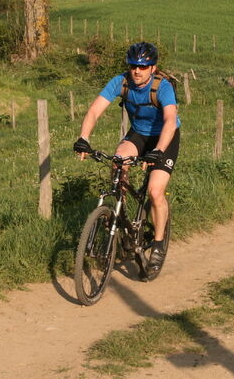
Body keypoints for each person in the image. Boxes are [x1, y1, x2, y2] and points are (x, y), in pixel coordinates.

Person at [73, 41, 180, 274]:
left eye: (143, 66)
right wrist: (84, 138)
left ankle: (159, 245)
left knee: (155, 191)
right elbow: (94, 111)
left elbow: (170, 120)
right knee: (119, 160)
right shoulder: (120, 82)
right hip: (139, 134)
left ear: (153, 67)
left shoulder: (162, 87)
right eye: (133, 66)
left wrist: (158, 151)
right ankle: (121, 215)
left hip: (164, 138)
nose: (137, 71)